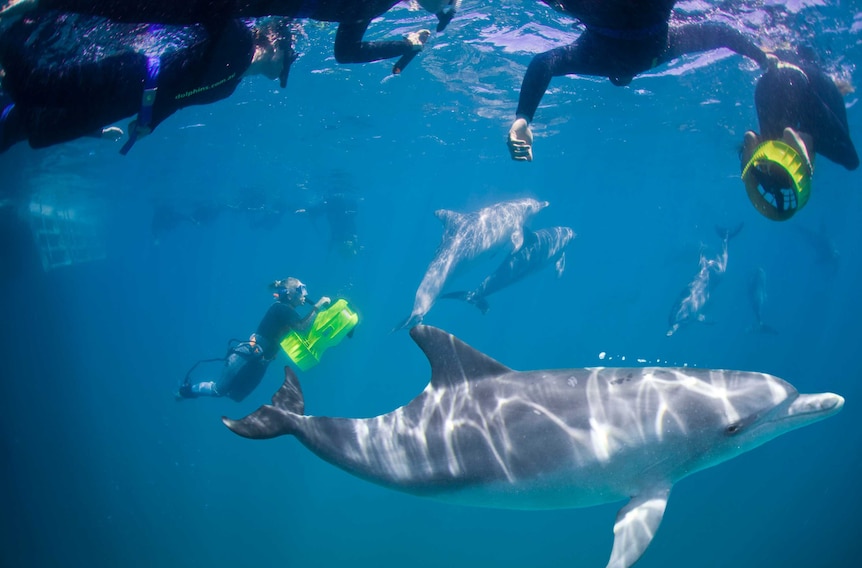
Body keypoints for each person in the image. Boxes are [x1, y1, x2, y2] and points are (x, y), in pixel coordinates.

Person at [507, 0, 772, 162]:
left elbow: (720, 34)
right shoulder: (596, 59)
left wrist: (765, 59)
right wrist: (523, 118)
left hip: (644, 13)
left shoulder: (655, 54)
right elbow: (544, 63)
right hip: (600, 11)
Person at [0, 13, 298, 153]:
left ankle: (6, 93)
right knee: (35, 85)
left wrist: (151, 123)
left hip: (132, 101)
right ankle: (17, 22)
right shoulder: (240, 39)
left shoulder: (229, 86)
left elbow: (179, 98)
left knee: (43, 132)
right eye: (292, 52)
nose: (291, 60)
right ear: (275, 41)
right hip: (132, 75)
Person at [0, 0, 460, 73]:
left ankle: (43, 15)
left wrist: (403, 45)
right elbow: (346, 51)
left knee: (144, 13)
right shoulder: (375, 5)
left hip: (236, 9)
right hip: (238, 9)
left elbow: (344, 52)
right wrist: (403, 46)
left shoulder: (375, 5)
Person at [740, 47, 859, 220]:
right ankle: (753, 146)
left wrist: (807, 166)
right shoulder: (771, 140)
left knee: (850, 160)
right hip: (768, 84)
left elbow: (852, 161)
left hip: (802, 82)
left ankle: (803, 142)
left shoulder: (824, 130)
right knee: (771, 135)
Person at [177, 277, 331, 401]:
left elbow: (302, 327)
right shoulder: (281, 308)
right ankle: (186, 391)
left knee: (236, 397)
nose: (304, 292)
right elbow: (302, 327)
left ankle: (187, 392)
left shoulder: (288, 312)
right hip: (249, 355)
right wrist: (317, 307)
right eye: (300, 289)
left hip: (259, 361)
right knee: (219, 390)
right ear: (289, 294)